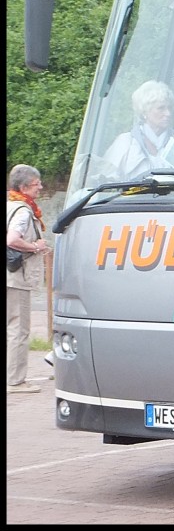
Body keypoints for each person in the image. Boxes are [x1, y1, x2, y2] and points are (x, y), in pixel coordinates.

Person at [7, 164, 49, 394]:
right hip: (17, 276)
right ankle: (15, 381)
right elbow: (12, 239)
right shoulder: (23, 211)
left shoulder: (9, 205)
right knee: (19, 329)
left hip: (9, 273)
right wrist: (35, 246)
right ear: (23, 187)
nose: (40, 187)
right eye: (36, 184)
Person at [102, 80, 174, 178]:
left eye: (170, 108)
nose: (168, 113)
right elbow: (105, 180)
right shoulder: (124, 144)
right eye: (161, 108)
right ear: (144, 111)